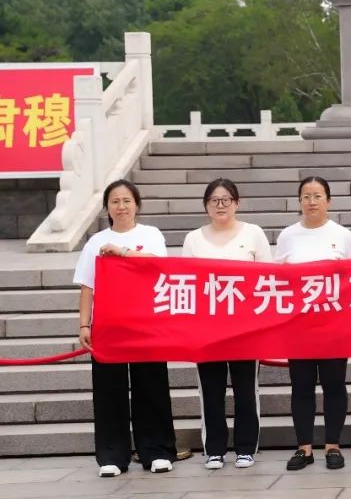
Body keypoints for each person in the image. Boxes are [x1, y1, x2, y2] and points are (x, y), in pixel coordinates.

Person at [74, 179, 177, 477]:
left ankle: (157, 451)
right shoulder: (95, 242)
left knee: (152, 386)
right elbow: (87, 287)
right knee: (109, 390)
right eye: (115, 201)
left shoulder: (151, 234)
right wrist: (84, 323)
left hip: (146, 324)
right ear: (107, 207)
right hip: (109, 326)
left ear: (137, 205)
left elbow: (158, 265)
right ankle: (112, 455)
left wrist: (122, 252)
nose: (121, 207)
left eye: (127, 201)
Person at [181, 178, 272, 470]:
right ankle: (215, 450)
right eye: (214, 201)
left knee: (246, 389)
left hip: (245, 328)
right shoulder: (193, 239)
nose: (220, 205)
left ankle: (246, 448)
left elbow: (268, 278)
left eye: (226, 200)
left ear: (237, 203)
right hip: (207, 330)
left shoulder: (253, 233)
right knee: (211, 391)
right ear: (206, 206)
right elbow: (186, 282)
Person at [275, 176, 351, 472]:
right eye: (306, 196)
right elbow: (278, 280)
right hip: (299, 325)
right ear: (299, 201)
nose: (311, 202)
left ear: (329, 201)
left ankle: (333, 446)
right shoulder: (288, 236)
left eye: (317, 196)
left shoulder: (344, 236)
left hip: (334, 324)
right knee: (302, 386)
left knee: (334, 384)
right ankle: (304, 448)